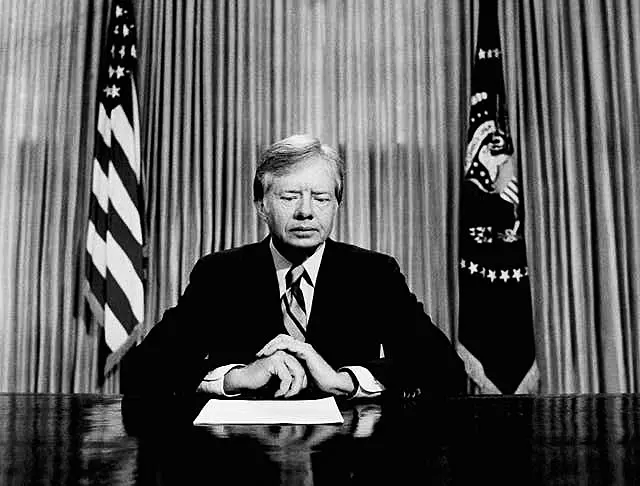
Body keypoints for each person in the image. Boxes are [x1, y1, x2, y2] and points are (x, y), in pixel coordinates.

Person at [123, 134, 467, 400]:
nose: (306, 211)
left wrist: (344, 380)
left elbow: (445, 370)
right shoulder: (220, 275)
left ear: (337, 205)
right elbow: (142, 372)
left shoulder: (374, 274)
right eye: (289, 197)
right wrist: (238, 376)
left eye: (321, 198)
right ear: (261, 205)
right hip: (241, 458)